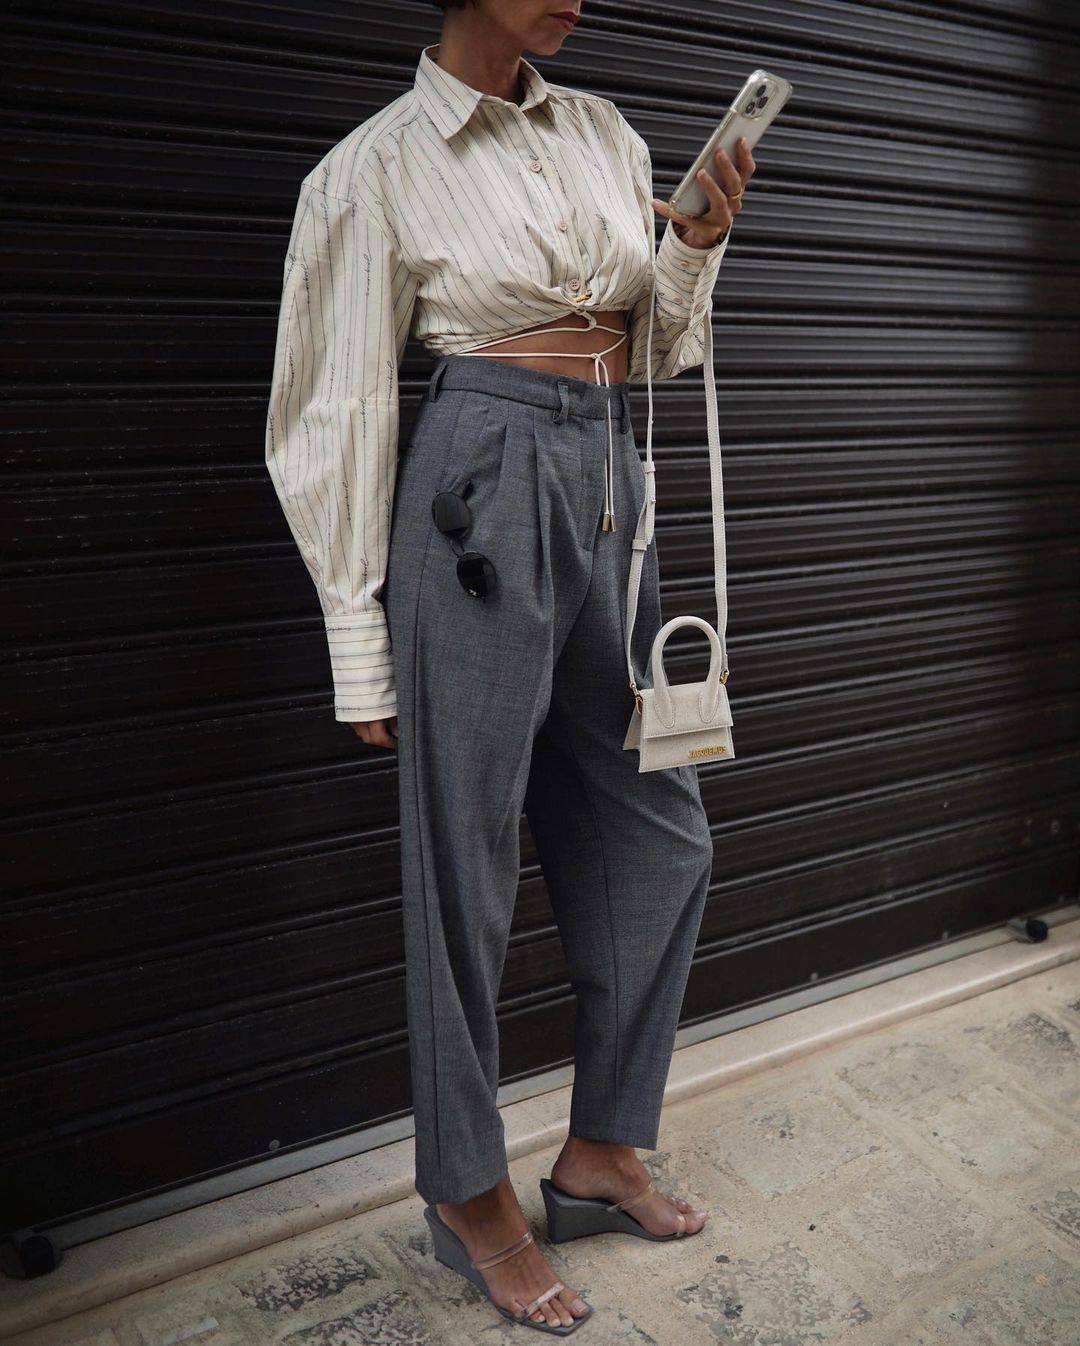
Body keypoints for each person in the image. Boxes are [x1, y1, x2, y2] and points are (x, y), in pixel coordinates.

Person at [264, 0, 754, 1332]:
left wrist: (695, 244)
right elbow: (333, 408)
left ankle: (601, 1148)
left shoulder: (600, 132)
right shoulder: (371, 170)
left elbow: (656, 344)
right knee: (464, 859)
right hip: (476, 484)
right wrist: (358, 640)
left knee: (660, 832)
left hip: (607, 469)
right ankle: (468, 1192)